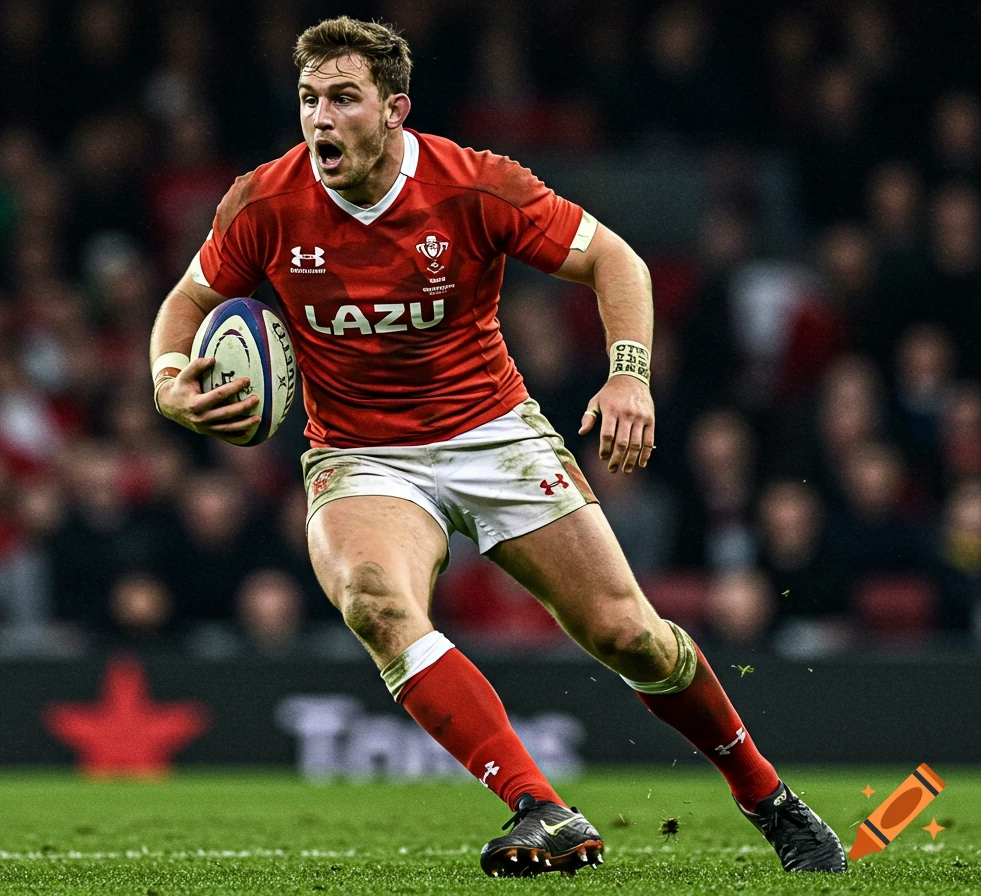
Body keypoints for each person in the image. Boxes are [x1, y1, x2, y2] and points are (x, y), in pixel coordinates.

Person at [149, 17, 845, 878]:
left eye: (342, 99)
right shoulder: (265, 202)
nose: (320, 120)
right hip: (360, 453)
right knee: (374, 602)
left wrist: (629, 374)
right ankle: (539, 806)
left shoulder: (476, 185)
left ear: (395, 109)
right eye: (308, 101)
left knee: (629, 635)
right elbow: (184, 303)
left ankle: (767, 795)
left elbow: (617, 261)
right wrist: (169, 379)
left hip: (493, 431)